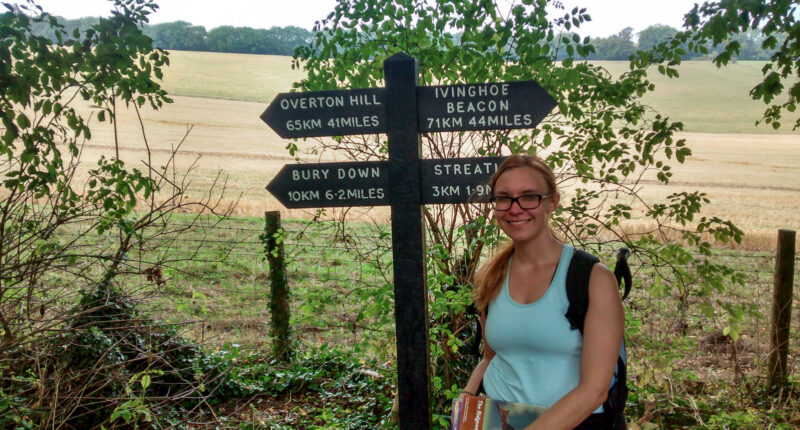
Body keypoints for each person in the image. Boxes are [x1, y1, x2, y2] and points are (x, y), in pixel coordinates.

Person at [460, 154, 625, 429]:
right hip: (495, 420)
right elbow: (491, 357)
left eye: (528, 196)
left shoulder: (592, 279)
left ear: (552, 202)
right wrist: (466, 404)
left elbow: (595, 391)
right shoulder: (490, 275)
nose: (515, 208)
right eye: (504, 198)